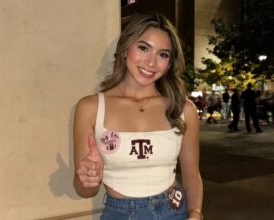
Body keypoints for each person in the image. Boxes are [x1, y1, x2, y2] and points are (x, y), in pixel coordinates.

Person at [73, 13, 203, 219]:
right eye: (143, 48)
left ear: (169, 63)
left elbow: (191, 175)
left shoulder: (183, 109)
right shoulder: (91, 108)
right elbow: (84, 191)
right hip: (120, 213)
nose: (151, 62)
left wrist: (195, 213)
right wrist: (87, 179)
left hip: (173, 210)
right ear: (125, 49)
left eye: (163, 54)